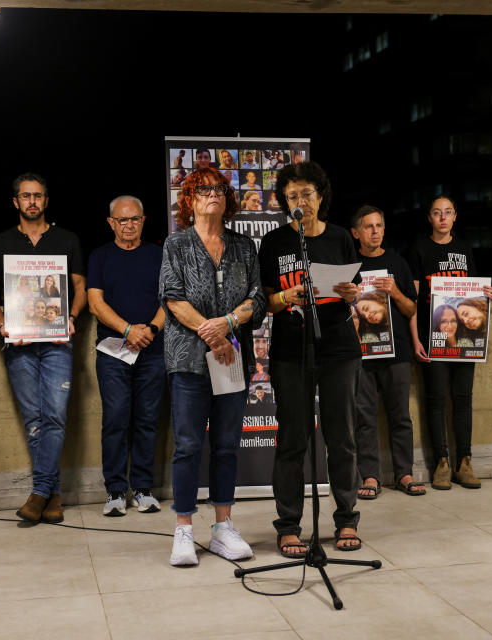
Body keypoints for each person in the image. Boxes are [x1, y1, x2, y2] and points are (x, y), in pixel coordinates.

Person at [160, 166, 266, 566]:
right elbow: (172, 298)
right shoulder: (176, 244)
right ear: (188, 199)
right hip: (188, 360)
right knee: (187, 445)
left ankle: (223, 527)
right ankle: (183, 530)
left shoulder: (243, 247)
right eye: (202, 189)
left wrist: (230, 324)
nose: (212, 194)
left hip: (233, 361)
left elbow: (256, 298)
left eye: (219, 188)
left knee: (225, 446)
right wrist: (215, 334)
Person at [258, 161, 363, 558]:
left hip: (337, 347)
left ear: (320, 196)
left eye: (306, 194)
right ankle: (288, 526)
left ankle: (347, 518)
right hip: (290, 350)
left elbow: (352, 286)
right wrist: (287, 297)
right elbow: (264, 300)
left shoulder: (339, 237)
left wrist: (352, 294)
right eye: (291, 197)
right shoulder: (274, 242)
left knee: (342, 438)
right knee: (292, 439)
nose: (300, 201)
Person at [0, 172, 87, 524]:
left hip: (58, 342)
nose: (32, 202)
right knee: (35, 421)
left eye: (38, 196)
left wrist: (71, 316)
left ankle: (39, 492)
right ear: (16, 202)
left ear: (46, 200)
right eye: (25, 196)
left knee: (55, 415)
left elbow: (80, 288)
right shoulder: (0, 242)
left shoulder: (67, 239)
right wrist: (1, 323)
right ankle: (53, 495)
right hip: (20, 344)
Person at [408, 195, 492, 490]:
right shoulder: (420, 249)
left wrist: (485, 294)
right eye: (437, 213)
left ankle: (465, 462)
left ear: (455, 216)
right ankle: (441, 463)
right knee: (435, 400)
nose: (443, 218)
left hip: (464, 339)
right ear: (430, 218)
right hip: (433, 336)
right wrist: (417, 338)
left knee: (463, 399)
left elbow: (470, 292)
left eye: (448, 212)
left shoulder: (463, 249)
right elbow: (413, 298)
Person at [87, 195, 166, 517]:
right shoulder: (100, 256)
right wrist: (128, 331)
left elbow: (170, 299)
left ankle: (144, 489)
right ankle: (116, 491)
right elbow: (95, 303)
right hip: (113, 351)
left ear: (143, 220)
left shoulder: (159, 255)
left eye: (134, 219)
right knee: (116, 418)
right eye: (122, 220)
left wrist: (150, 330)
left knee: (148, 421)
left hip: (153, 349)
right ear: (111, 223)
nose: (129, 225)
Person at [350, 205, 422, 498]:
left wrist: (395, 292)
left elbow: (411, 308)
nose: (375, 231)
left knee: (400, 415)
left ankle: (404, 473)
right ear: (356, 233)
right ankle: (369, 477)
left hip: (397, 351)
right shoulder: (348, 265)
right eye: (369, 226)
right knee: (364, 416)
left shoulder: (398, 263)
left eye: (379, 225)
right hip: (360, 352)